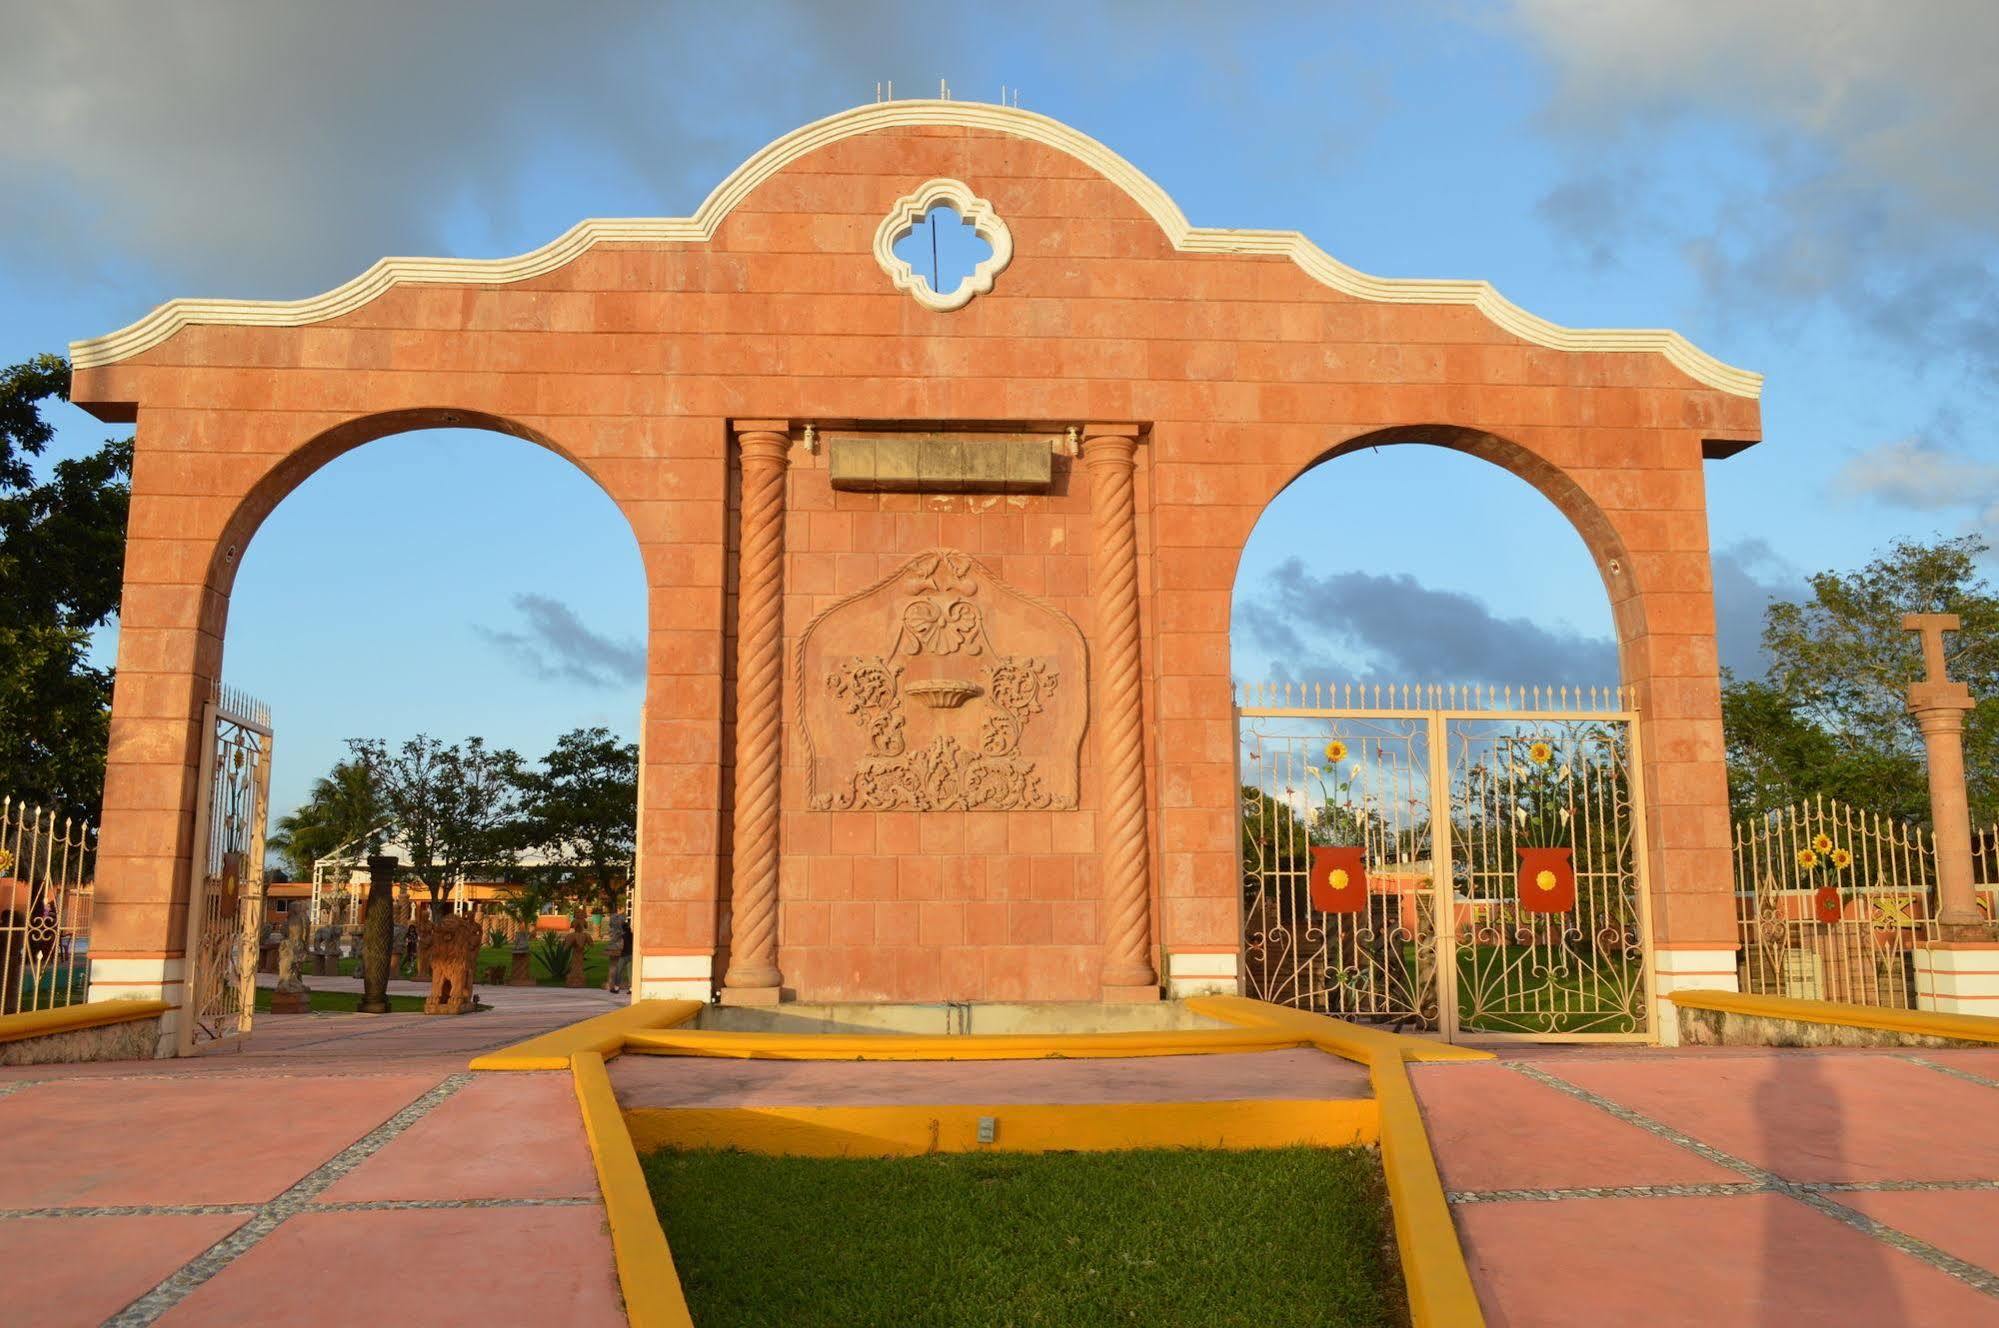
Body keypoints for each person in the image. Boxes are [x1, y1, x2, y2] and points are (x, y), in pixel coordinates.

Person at [606, 910, 633, 994]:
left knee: (619, 971)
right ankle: (630, 988)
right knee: (629, 973)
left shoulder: (621, 935)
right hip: (629, 955)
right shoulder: (629, 934)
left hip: (625, 955)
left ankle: (617, 988)